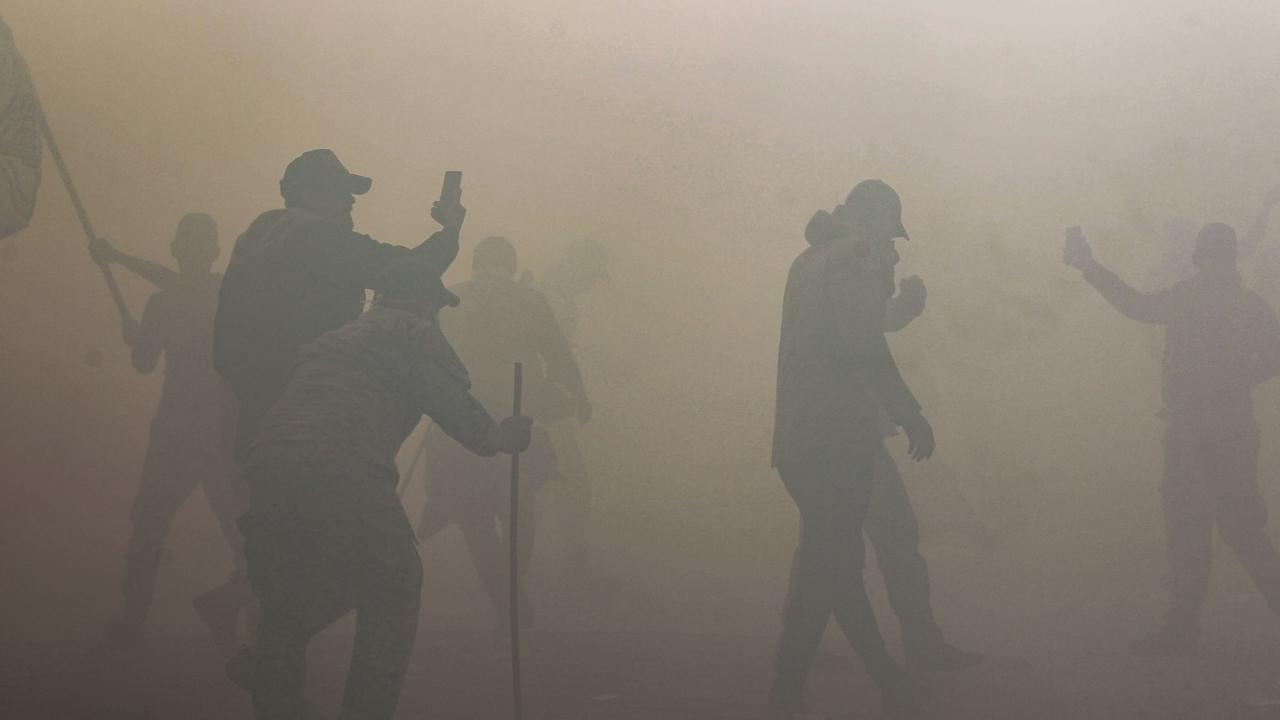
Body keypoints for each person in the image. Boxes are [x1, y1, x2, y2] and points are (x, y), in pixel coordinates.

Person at [236, 255, 532, 720]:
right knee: (395, 581)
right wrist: (499, 438)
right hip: (343, 457)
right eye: (437, 303)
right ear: (422, 301)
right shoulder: (412, 332)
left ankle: (274, 681)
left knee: (304, 586)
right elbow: (450, 403)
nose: (439, 313)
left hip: (272, 456)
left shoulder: (338, 337)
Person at [1065, 222, 1280, 655]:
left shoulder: (1195, 297)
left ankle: (1181, 631)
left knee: (1197, 531)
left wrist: (1089, 266)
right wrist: (1236, 381)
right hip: (1225, 431)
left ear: (1202, 258)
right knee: (1231, 530)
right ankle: (1181, 631)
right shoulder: (1246, 304)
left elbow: (1136, 305)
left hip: (1199, 432)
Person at [770, 180, 937, 720]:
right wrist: (910, 411)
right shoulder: (853, 257)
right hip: (836, 435)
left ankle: (805, 687)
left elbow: (851, 328)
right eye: (888, 231)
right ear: (869, 219)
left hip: (802, 435)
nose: (891, 245)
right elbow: (865, 345)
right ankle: (875, 680)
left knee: (831, 564)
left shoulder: (812, 256)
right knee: (835, 565)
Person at [213, 149, 464, 466]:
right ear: (307, 193)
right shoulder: (315, 238)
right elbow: (409, 271)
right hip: (308, 418)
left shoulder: (263, 234)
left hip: (254, 411)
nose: (350, 200)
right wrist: (451, 231)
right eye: (338, 190)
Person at [91, 214, 249, 656]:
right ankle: (136, 623)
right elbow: (144, 360)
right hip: (209, 430)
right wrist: (135, 336)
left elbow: (145, 356)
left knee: (153, 528)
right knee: (234, 531)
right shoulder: (216, 293)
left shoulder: (191, 295)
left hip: (188, 429)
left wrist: (118, 259)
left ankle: (132, 625)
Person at [417, 236, 584, 633]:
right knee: (519, 509)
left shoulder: (449, 299)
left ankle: (503, 595)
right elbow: (558, 355)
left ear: (476, 264)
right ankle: (512, 588)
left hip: (460, 420)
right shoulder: (531, 300)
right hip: (518, 419)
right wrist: (580, 397)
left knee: (472, 514)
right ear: (510, 264)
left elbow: (424, 357)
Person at [861, 266, 984, 673]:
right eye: (888, 251)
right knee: (895, 537)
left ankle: (797, 651)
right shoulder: (849, 266)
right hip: (851, 437)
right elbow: (872, 347)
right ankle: (921, 643)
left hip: (831, 435)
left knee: (827, 547)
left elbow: (874, 320)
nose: (891, 261)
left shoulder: (824, 266)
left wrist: (906, 305)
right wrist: (910, 415)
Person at [529, 238, 608, 578]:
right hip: (545, 405)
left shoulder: (546, 290)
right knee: (569, 482)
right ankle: (574, 563)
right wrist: (575, 395)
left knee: (548, 483)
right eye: (591, 275)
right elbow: (552, 355)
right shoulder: (553, 299)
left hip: (542, 402)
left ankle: (526, 562)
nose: (592, 284)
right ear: (578, 268)